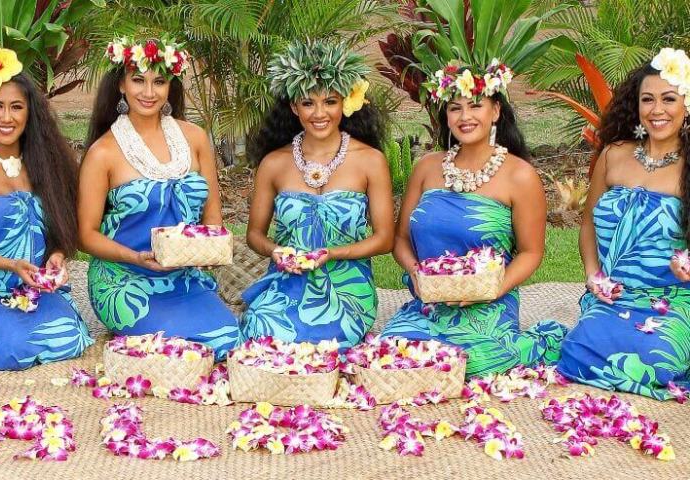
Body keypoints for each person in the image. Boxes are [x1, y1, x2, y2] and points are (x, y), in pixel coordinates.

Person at [380, 60, 567, 378]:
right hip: (431, 302)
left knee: (469, 364)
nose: (465, 117)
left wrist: (492, 289)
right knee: (396, 358)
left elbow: (531, 252)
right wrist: (417, 275)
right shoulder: (427, 167)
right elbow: (400, 240)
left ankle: (535, 343)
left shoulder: (520, 176)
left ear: (495, 111)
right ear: (446, 116)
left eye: (475, 106)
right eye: (455, 108)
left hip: (489, 304)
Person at [79, 38, 238, 360]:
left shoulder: (194, 138)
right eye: (138, 80)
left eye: (159, 82)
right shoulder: (103, 152)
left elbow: (212, 215)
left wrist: (210, 248)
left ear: (170, 86)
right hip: (124, 279)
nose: (148, 92)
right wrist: (136, 258)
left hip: (183, 278)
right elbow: (86, 235)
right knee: (183, 350)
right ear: (121, 85)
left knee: (227, 339)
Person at [241, 40, 394, 348]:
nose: (319, 113)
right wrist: (275, 251)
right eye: (308, 103)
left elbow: (385, 239)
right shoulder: (274, 163)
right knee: (262, 330)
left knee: (327, 338)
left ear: (346, 103)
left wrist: (332, 254)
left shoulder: (370, 161)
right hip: (287, 282)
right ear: (294, 107)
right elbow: (254, 235)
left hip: (346, 288)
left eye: (330, 102)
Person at [557, 48, 690, 399]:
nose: (657, 110)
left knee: (657, 364)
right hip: (613, 294)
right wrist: (593, 274)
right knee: (574, 357)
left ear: (686, 106)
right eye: (648, 99)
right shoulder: (613, 154)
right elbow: (587, 226)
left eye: (669, 99)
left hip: (673, 298)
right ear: (636, 105)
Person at [0, 47, 93, 370]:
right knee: (7, 349)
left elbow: (59, 229)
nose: (6, 117)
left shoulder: (45, 165)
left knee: (70, 336)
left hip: (34, 287)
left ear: (29, 113)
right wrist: (10, 264)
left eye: (16, 107)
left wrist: (56, 256)